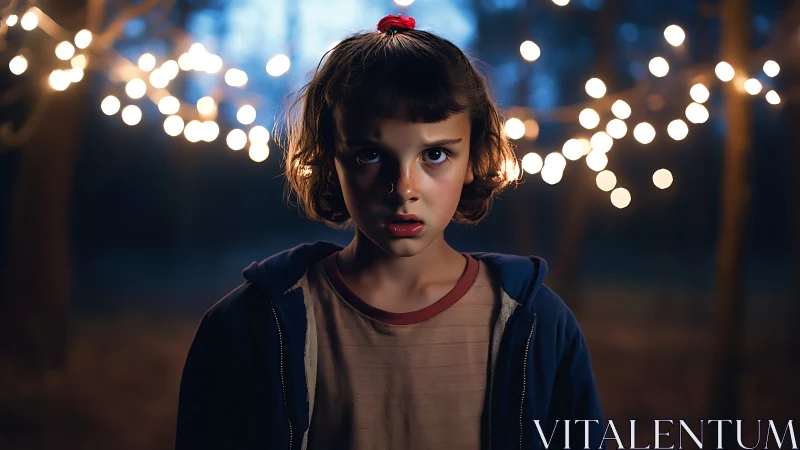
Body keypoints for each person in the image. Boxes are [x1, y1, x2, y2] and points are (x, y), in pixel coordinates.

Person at [176, 14, 605, 450]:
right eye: (369, 155)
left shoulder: (538, 324)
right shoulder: (248, 324)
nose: (403, 189)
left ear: (474, 157)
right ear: (330, 160)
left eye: (435, 154)